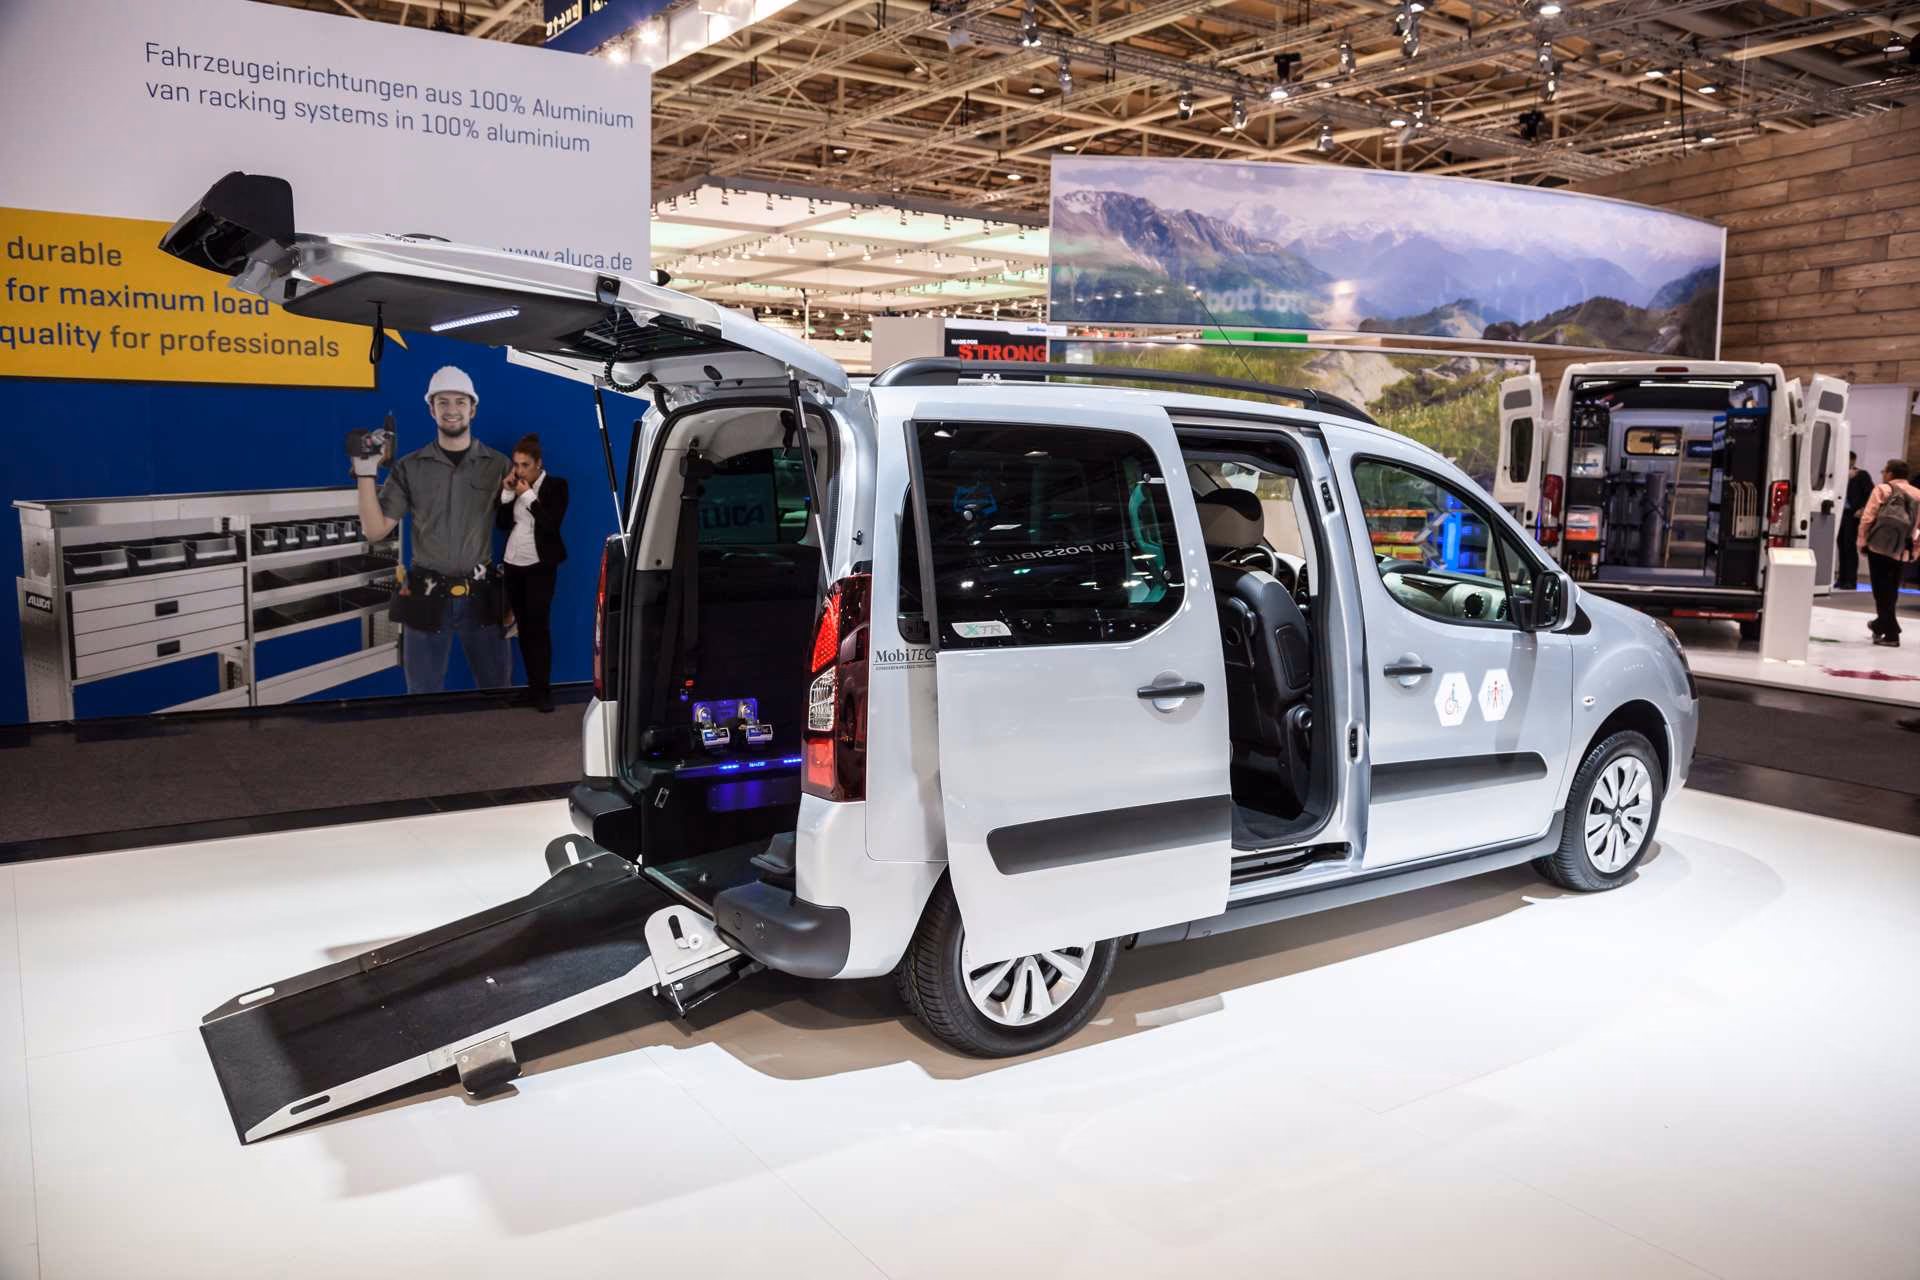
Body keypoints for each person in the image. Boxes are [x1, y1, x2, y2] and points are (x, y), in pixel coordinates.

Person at [353, 364, 513, 692]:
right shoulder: (409, 468)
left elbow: (527, 530)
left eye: (459, 402)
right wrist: (366, 474)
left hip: (482, 595)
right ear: (431, 409)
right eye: (443, 402)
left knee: (498, 694)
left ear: (473, 408)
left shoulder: (498, 465)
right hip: (426, 598)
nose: (451, 410)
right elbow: (375, 531)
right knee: (422, 700)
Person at [497, 432, 568, 712]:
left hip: (540, 565)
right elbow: (502, 524)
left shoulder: (557, 486)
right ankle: (531, 689)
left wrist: (527, 496)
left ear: (538, 463)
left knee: (539, 628)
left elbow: (551, 524)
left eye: (525, 464)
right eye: (516, 464)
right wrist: (505, 494)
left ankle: (543, 690)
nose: (519, 470)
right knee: (523, 629)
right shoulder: (514, 486)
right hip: (513, 562)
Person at [1856, 457, 1920, 648]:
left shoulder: (1882, 489)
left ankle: (1892, 633)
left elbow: (1868, 517)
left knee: (1880, 591)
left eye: (1884, 471)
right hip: (1902, 549)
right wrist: (1916, 549)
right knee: (1891, 590)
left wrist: (1862, 540)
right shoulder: (1918, 493)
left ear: (1890, 473)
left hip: (1879, 547)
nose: (1883, 474)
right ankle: (1879, 625)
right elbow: (1918, 526)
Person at [1837, 451, 1872, 591]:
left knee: (1849, 546)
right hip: (1841, 513)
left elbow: (1870, 493)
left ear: (1853, 460)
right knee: (1841, 546)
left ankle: (1851, 580)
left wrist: (1863, 508)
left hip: (1853, 515)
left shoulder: (1861, 475)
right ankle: (1842, 578)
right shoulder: (1839, 475)